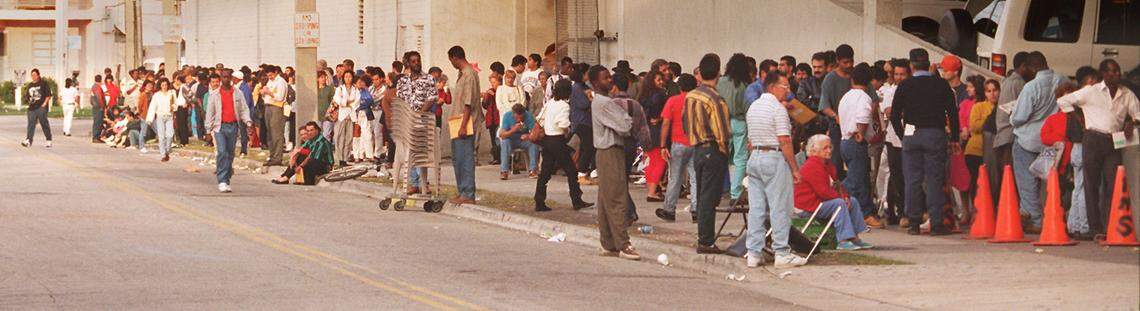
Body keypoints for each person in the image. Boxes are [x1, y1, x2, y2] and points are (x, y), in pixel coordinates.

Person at [1057, 59, 1140, 239]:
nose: (1116, 74)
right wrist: (1078, 118)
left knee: (1112, 184)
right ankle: (1095, 229)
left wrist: (1131, 123)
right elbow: (1063, 101)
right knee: (1091, 184)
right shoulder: (1091, 91)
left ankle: (1110, 224)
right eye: (1111, 72)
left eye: (1117, 71)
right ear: (1103, 74)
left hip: (1114, 141)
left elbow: (1138, 113)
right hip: (1093, 138)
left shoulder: (1126, 94)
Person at [890, 48, 959, 235]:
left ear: (911, 66)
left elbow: (895, 115)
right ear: (929, 65)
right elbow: (952, 113)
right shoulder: (941, 85)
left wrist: (902, 134)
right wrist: (954, 138)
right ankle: (936, 223)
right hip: (935, 134)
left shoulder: (905, 86)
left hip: (912, 134)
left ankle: (913, 222)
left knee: (912, 179)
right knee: (934, 179)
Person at [743, 71, 808, 268]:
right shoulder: (778, 109)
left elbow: (751, 139)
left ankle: (753, 252)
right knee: (780, 206)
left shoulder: (753, 107)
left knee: (757, 208)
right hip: (774, 156)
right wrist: (795, 168)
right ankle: (782, 251)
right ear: (772, 87)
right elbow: (785, 140)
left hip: (755, 157)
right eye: (785, 87)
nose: (787, 91)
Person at [1010, 52, 1067, 232]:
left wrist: (1012, 116)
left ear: (1032, 67)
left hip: (1028, 140)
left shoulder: (1031, 87)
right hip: (1051, 141)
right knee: (1052, 182)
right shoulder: (1062, 80)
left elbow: (1019, 117)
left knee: (1027, 182)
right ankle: (1055, 217)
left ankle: (1036, 221)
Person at [588, 65, 640, 261]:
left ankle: (608, 242)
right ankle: (623, 243)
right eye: (605, 78)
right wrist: (626, 119)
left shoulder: (603, 101)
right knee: (617, 197)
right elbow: (626, 125)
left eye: (609, 77)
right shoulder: (604, 103)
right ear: (595, 83)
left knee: (606, 198)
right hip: (610, 151)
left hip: (606, 151)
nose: (609, 80)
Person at [686, 54, 731, 254]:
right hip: (713, 150)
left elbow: (686, 124)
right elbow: (723, 132)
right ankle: (706, 241)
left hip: (697, 149)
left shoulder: (691, 95)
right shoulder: (715, 99)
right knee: (709, 198)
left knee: (702, 194)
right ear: (718, 73)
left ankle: (703, 237)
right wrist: (724, 151)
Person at [796, 134, 874, 251]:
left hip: (819, 203)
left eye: (830, 147)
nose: (829, 150)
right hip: (807, 207)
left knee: (852, 201)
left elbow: (837, 185)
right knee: (839, 204)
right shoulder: (812, 165)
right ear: (814, 150)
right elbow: (823, 191)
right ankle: (842, 240)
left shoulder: (827, 164)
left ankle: (855, 238)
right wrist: (842, 199)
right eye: (825, 148)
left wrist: (846, 196)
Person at [535, 79, 594, 212]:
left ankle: (539, 201)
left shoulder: (550, 103)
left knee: (545, 172)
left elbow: (540, 118)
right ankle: (576, 200)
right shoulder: (564, 106)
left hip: (547, 140)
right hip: (558, 140)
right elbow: (563, 124)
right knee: (571, 171)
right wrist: (568, 130)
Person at [655, 74, 699, 222]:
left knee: (675, 177)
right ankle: (696, 210)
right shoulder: (699, 101)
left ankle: (669, 210)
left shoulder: (673, 101)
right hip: (696, 143)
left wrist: (663, 145)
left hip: (678, 144)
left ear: (679, 87)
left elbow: (666, 124)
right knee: (695, 178)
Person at [990, 52, 1032, 203]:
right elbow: (1024, 110)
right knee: (1011, 179)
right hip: (1010, 136)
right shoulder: (1019, 83)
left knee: (1004, 178)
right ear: (1023, 66)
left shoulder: (1008, 81)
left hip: (1002, 135)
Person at [837, 63, 876, 222]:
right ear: (868, 81)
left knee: (862, 179)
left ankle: (865, 212)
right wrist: (861, 132)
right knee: (855, 179)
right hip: (855, 140)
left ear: (852, 79)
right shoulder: (864, 97)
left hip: (845, 140)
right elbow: (863, 116)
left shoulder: (845, 97)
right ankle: (835, 197)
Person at [396, 51, 439, 195]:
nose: (416, 63)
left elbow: (432, 97)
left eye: (418, 61)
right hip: (407, 121)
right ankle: (414, 183)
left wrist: (419, 113)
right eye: (413, 61)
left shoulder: (428, 79)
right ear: (408, 63)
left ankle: (424, 184)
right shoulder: (403, 81)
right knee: (410, 153)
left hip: (422, 120)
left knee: (422, 154)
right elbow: (400, 99)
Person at [205, 72, 253, 193]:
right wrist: (207, 130)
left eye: (228, 77)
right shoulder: (215, 94)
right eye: (224, 77)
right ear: (221, 79)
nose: (226, 79)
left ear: (231, 78)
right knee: (221, 152)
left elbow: (244, 109)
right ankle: (221, 180)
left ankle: (226, 180)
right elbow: (210, 112)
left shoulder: (238, 93)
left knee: (230, 154)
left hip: (233, 126)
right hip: (219, 127)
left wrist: (248, 122)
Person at [447, 46, 482, 204]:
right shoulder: (462, 74)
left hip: (465, 123)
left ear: (455, 58)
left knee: (466, 158)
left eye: (451, 61)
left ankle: (468, 193)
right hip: (457, 122)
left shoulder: (469, 74)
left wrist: (463, 125)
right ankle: (462, 191)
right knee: (458, 158)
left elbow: (468, 103)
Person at [717, 53, 753, 204]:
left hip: (721, 122)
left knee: (720, 158)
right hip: (739, 122)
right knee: (739, 160)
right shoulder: (745, 85)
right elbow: (748, 109)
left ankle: (715, 193)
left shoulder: (720, 82)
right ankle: (735, 194)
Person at [878, 59, 908, 226]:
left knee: (908, 175)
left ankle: (907, 210)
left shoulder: (911, 89)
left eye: (902, 74)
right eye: (896, 74)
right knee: (895, 176)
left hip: (908, 138)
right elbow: (888, 112)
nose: (898, 77)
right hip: (893, 138)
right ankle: (896, 211)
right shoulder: (890, 91)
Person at [819, 45, 856, 182]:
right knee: (836, 164)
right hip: (836, 127)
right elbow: (824, 106)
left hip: (857, 128)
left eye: (851, 61)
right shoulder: (830, 78)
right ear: (838, 61)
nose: (849, 65)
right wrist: (836, 117)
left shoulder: (856, 75)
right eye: (845, 62)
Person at [639, 69, 669, 201]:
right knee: (660, 161)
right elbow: (666, 113)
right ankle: (652, 192)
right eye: (659, 80)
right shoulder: (660, 94)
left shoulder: (642, 96)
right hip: (657, 130)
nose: (661, 82)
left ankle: (651, 190)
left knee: (651, 161)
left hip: (645, 131)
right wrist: (660, 119)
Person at [570, 63, 596, 185]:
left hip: (588, 120)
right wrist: (591, 100)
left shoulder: (584, 86)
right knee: (588, 147)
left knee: (588, 147)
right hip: (581, 121)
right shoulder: (576, 88)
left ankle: (585, 172)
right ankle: (581, 173)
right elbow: (584, 104)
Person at [498, 104, 539, 179]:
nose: (519, 120)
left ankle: (533, 170)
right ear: (513, 114)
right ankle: (504, 171)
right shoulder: (507, 116)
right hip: (511, 140)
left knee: (534, 143)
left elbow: (535, 132)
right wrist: (512, 130)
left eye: (521, 118)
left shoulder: (528, 116)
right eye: (517, 118)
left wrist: (529, 136)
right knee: (505, 142)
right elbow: (502, 135)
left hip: (523, 140)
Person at [261, 66, 290, 166]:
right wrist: (264, 93)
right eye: (268, 75)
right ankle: (272, 155)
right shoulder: (269, 81)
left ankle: (277, 157)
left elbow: (280, 97)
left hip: (277, 107)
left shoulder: (281, 82)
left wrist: (269, 92)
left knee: (276, 133)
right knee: (270, 133)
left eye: (271, 75)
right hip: (268, 106)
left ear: (276, 72)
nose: (270, 77)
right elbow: (266, 96)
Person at [146, 78, 178, 162]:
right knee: (161, 136)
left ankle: (167, 150)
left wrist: (174, 107)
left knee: (170, 135)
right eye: (163, 85)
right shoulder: (156, 95)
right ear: (160, 85)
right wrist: (149, 119)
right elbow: (152, 107)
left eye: (166, 85)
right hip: (160, 116)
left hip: (169, 116)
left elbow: (176, 104)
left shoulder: (172, 93)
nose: (164, 87)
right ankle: (163, 154)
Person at [21, 69, 53, 148]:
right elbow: (27, 96)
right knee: (31, 124)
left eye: (35, 75)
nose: (33, 76)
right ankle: (28, 140)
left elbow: (48, 95)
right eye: (32, 75)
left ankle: (49, 139)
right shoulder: (30, 85)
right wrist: (28, 100)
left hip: (41, 107)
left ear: (38, 75)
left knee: (44, 123)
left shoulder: (43, 83)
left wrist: (44, 104)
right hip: (32, 108)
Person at [332, 71, 358, 166]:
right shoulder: (340, 89)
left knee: (349, 137)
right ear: (343, 78)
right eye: (346, 77)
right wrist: (347, 102)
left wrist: (348, 103)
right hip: (341, 116)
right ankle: (339, 158)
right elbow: (337, 99)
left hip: (350, 116)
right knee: (339, 137)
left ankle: (345, 158)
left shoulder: (355, 89)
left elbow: (356, 101)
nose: (348, 78)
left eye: (350, 76)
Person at [352, 75, 376, 162]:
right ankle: (357, 155)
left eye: (361, 82)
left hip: (365, 113)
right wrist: (360, 103)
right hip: (355, 114)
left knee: (367, 134)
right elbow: (353, 103)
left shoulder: (365, 91)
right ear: (354, 84)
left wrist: (361, 103)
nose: (361, 84)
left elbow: (370, 101)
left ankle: (369, 155)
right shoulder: (353, 91)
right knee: (357, 135)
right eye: (359, 82)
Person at [317, 71, 336, 140]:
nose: (324, 79)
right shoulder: (315, 89)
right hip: (317, 115)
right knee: (317, 134)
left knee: (327, 134)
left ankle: (326, 149)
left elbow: (333, 101)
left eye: (325, 77)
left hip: (328, 115)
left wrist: (331, 112)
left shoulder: (330, 89)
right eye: (321, 77)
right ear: (317, 78)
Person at [91, 75, 107, 143]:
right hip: (98, 107)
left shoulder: (93, 86)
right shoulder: (97, 87)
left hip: (95, 107)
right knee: (98, 122)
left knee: (97, 122)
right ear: (101, 79)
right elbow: (99, 97)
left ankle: (96, 136)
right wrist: (102, 106)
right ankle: (96, 137)